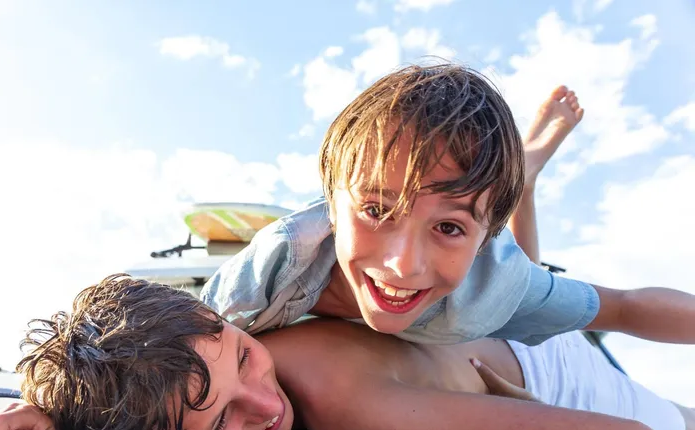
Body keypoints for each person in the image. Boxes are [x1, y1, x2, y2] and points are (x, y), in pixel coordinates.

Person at [0, 274, 691, 430]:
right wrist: (68, 421)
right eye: (219, 423)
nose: (266, 405)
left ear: (224, 319)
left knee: (682, 427)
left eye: (246, 358)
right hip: (494, 337)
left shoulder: (344, 401)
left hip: (547, 368)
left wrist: (526, 422)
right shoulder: (201, 344)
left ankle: (525, 167)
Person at [201, 63, 695, 348]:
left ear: (484, 239)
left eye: (450, 228)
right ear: (332, 202)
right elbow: (183, 343)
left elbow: (627, 308)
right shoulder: (271, 270)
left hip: (482, 295)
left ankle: (521, 179)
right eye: (376, 211)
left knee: (586, 297)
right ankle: (517, 179)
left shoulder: (493, 282)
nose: (402, 264)